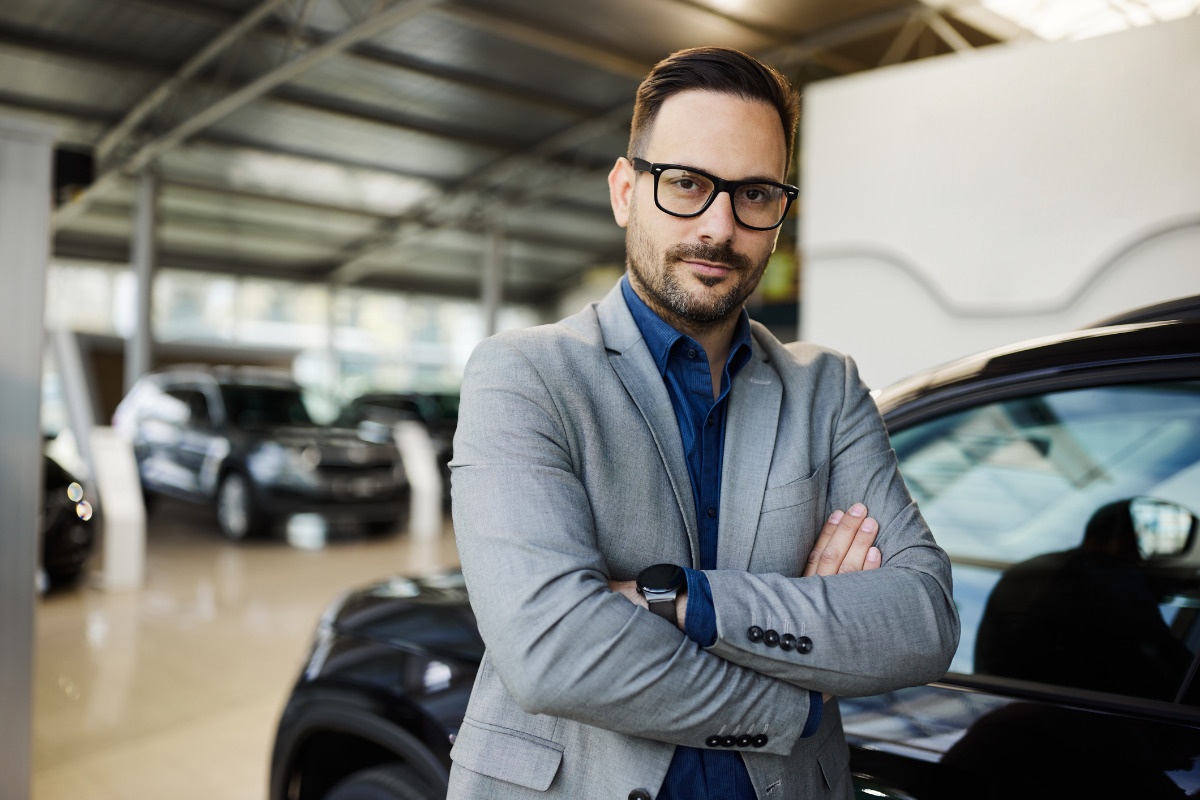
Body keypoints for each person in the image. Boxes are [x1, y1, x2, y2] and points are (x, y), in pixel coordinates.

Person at [448, 46, 959, 800]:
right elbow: (551, 648)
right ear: (626, 191)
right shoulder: (525, 374)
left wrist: (683, 600)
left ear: (780, 213)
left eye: (754, 193)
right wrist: (804, 694)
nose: (719, 226)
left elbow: (922, 620)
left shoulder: (827, 391)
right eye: (686, 183)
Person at [975, 498, 1192, 702]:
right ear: (1117, 539)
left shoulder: (1030, 569)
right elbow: (1163, 657)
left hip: (1002, 706)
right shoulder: (1108, 575)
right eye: (1136, 541)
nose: (1138, 555)